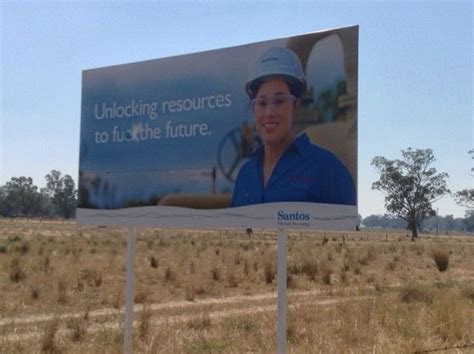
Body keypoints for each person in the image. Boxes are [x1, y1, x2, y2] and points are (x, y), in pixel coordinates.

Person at [231, 47, 356, 207]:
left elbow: (349, 230)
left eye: (279, 101)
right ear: (253, 109)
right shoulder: (245, 175)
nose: (269, 112)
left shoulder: (327, 170)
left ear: (295, 105)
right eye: (262, 103)